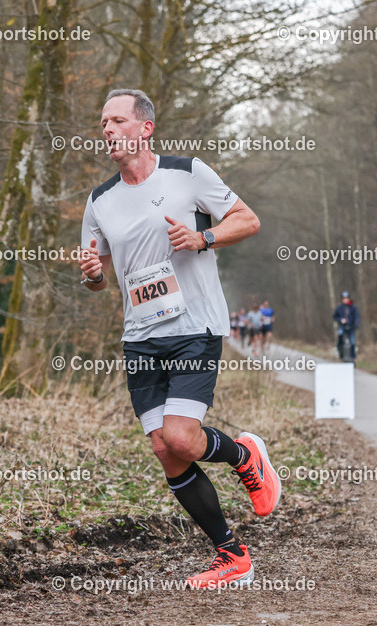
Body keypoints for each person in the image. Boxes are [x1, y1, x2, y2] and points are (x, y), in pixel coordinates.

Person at [77, 89, 281, 589]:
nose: (108, 130)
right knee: (166, 451)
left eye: (117, 120)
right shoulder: (99, 201)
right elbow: (97, 276)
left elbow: (248, 220)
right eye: (103, 123)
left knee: (183, 439)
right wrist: (92, 275)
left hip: (194, 326)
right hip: (140, 336)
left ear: (145, 128)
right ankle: (232, 556)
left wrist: (202, 237)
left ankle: (245, 456)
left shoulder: (187, 173)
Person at [333, 291, 360, 361]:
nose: (345, 300)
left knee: (352, 341)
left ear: (349, 299)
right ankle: (340, 352)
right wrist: (340, 320)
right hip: (342, 326)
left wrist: (356, 324)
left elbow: (357, 317)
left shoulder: (353, 308)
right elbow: (335, 316)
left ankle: (353, 356)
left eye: (346, 298)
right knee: (340, 336)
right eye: (344, 299)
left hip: (351, 327)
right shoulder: (339, 308)